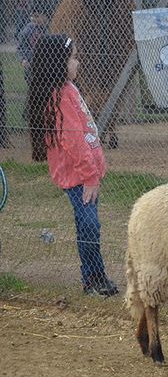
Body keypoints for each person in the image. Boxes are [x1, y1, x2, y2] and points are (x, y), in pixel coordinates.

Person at [26, 34, 118, 297]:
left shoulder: (69, 89)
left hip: (86, 174)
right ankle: (94, 279)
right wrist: (90, 176)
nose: (78, 62)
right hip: (79, 177)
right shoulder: (60, 96)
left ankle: (93, 279)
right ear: (59, 62)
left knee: (86, 226)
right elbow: (73, 141)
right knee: (90, 227)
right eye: (74, 58)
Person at [17, 0, 49, 83]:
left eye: (37, 16)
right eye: (32, 16)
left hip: (46, 63)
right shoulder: (28, 30)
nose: (34, 19)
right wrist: (23, 59)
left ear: (45, 16)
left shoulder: (49, 29)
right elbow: (21, 47)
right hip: (31, 63)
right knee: (32, 81)